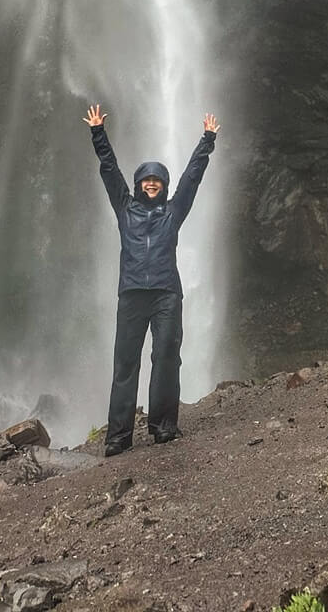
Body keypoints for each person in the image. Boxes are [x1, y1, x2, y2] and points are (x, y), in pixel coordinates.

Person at [83, 103, 219, 456]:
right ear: (138, 184)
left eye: (157, 179)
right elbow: (109, 171)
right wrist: (98, 133)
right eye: (147, 179)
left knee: (166, 358)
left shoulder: (173, 212)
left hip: (165, 295)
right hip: (131, 294)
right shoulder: (124, 208)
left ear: (164, 184)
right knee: (126, 362)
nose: (152, 184)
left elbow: (192, 179)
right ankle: (118, 436)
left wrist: (207, 141)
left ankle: (163, 427)